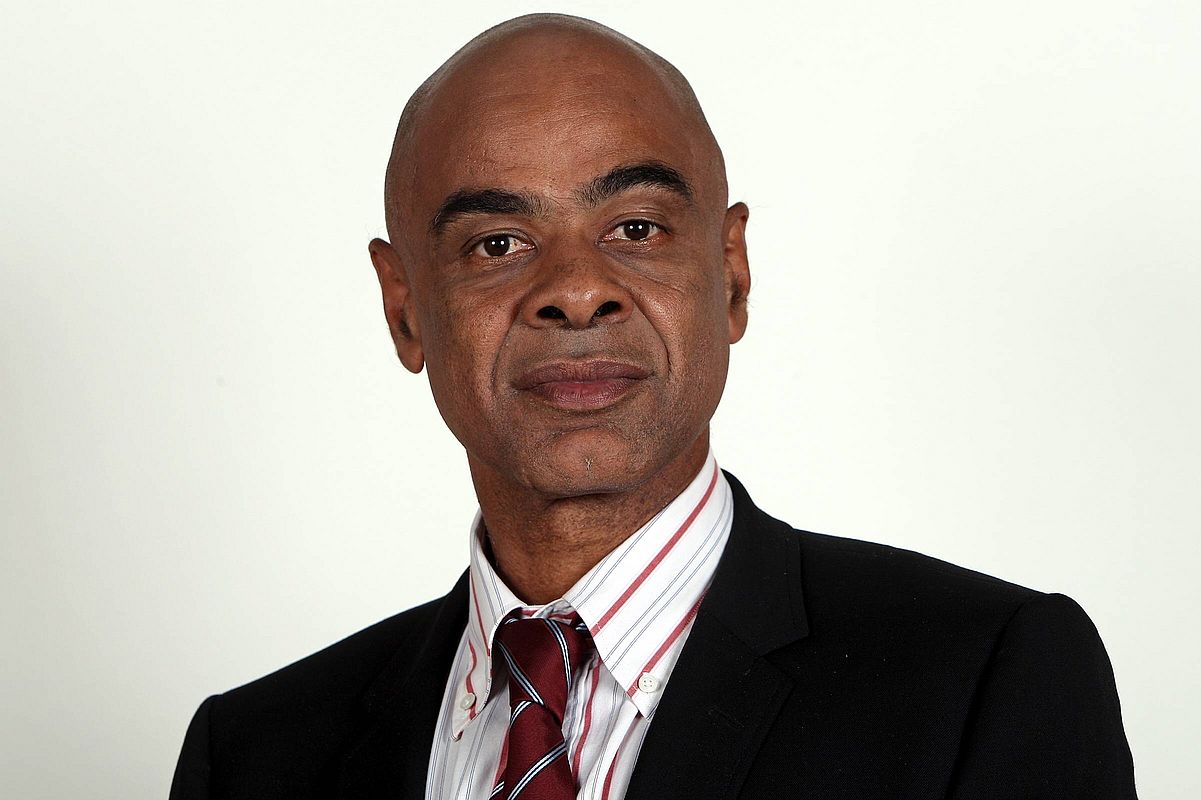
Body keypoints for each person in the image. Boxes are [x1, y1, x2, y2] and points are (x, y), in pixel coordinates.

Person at [169, 13, 1136, 800]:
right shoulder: (253, 756)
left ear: (730, 274)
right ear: (404, 308)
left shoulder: (981, 681)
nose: (575, 290)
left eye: (635, 227)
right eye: (497, 244)